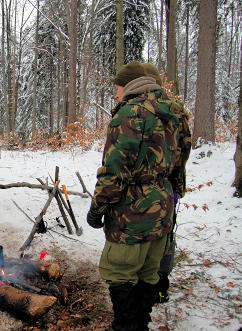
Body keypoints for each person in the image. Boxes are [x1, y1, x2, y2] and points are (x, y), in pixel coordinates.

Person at [86, 61, 180, 331]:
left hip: (133, 211)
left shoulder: (129, 114)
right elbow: (179, 161)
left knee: (120, 271)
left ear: (128, 86)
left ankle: (126, 327)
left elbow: (114, 171)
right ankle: (140, 324)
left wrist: (98, 206)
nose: (115, 94)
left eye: (116, 88)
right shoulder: (172, 112)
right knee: (148, 272)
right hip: (162, 207)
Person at [142, 63, 192, 303]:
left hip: (146, 188)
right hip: (170, 186)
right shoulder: (177, 110)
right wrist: (175, 178)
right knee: (166, 233)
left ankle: (145, 284)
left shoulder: (140, 109)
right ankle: (160, 285)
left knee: (144, 234)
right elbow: (185, 149)